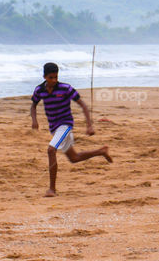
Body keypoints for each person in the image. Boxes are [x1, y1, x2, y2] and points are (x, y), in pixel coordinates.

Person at [31, 62, 112, 197]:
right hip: (54, 128)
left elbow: (83, 105)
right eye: (51, 77)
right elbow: (33, 105)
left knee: (51, 150)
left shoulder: (65, 88)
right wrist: (34, 120)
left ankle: (52, 189)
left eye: (56, 77)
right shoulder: (39, 90)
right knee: (74, 158)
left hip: (65, 125)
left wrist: (89, 125)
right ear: (44, 76)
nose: (54, 80)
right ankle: (101, 151)